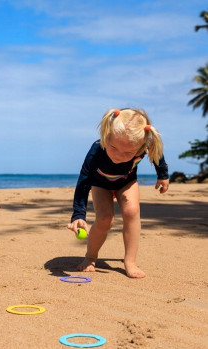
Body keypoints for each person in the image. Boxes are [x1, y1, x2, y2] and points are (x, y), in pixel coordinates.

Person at [67, 108, 169, 278]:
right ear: (106, 136)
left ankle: (130, 261)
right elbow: (84, 180)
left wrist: (163, 175)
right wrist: (78, 214)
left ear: (140, 147)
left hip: (126, 182)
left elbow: (157, 155)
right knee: (105, 219)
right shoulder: (97, 149)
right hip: (100, 184)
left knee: (132, 211)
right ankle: (90, 257)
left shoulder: (145, 147)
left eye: (128, 153)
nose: (118, 155)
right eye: (113, 147)